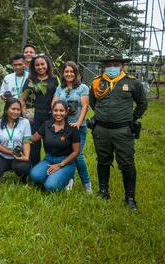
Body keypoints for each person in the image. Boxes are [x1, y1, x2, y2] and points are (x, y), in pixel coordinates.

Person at [89, 54, 147, 211]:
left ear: (122, 65)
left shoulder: (132, 82)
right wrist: (104, 116)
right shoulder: (96, 82)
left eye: (115, 64)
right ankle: (103, 191)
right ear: (104, 66)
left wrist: (131, 119)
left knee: (127, 163)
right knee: (102, 160)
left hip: (123, 130)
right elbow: (93, 103)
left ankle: (129, 198)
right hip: (101, 130)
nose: (112, 67)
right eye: (109, 64)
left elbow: (142, 103)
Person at [52, 61, 92, 193]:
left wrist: (79, 122)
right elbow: (54, 103)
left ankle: (87, 184)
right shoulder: (60, 88)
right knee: (66, 155)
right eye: (66, 72)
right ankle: (70, 180)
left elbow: (85, 106)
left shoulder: (83, 88)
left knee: (78, 155)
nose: (69, 74)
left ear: (76, 73)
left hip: (77, 127)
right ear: (63, 74)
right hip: (64, 128)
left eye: (71, 72)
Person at [28, 101, 80, 192]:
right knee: (34, 176)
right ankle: (52, 176)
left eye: (61, 110)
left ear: (66, 112)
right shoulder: (46, 125)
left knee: (50, 187)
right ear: (52, 111)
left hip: (65, 162)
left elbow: (76, 152)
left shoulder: (72, 129)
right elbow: (32, 138)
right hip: (48, 159)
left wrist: (60, 165)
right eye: (55, 110)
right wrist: (18, 137)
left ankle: (69, 180)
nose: (58, 113)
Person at [20, 54, 58, 166]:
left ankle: (50, 168)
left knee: (50, 144)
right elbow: (22, 99)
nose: (40, 67)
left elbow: (58, 97)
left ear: (47, 65)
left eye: (42, 64)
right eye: (37, 65)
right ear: (33, 67)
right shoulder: (30, 80)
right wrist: (25, 115)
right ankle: (33, 170)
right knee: (34, 145)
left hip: (50, 116)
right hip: (33, 116)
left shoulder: (54, 79)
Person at [0, 98, 31, 183]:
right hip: (2, 155)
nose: (16, 112)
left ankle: (23, 179)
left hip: (19, 155)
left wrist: (26, 157)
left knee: (23, 169)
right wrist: (11, 152)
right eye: (13, 109)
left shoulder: (25, 122)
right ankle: (0, 174)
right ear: (6, 110)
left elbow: (26, 141)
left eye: (18, 109)